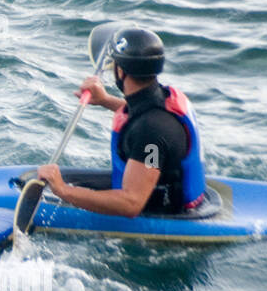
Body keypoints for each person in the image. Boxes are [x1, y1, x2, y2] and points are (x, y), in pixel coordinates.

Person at [36, 27, 207, 218]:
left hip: (160, 210)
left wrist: (63, 191)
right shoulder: (161, 99)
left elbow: (131, 204)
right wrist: (105, 100)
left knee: (57, 187)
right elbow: (144, 115)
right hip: (161, 188)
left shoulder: (152, 135)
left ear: (120, 70)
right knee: (40, 180)